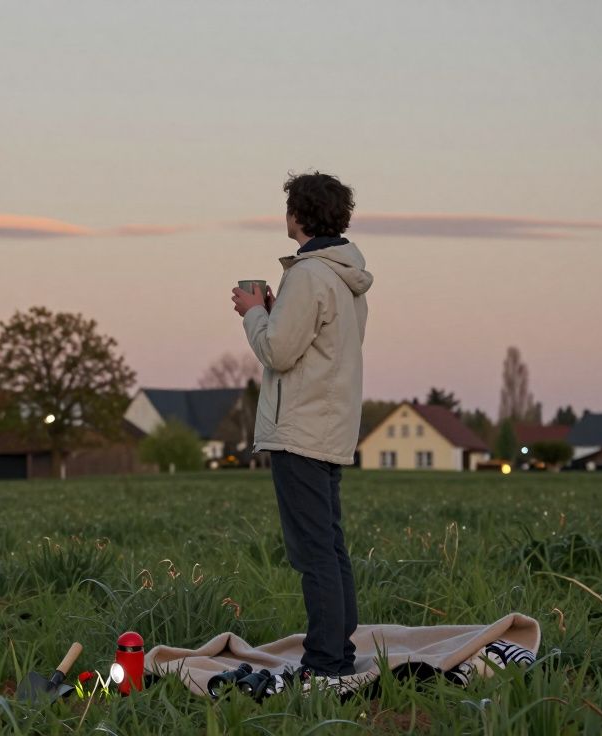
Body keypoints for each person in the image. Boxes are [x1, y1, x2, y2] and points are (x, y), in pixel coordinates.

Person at [230, 171, 373, 688]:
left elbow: (278, 351)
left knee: (313, 551)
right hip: (330, 429)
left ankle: (324, 663)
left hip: (300, 431)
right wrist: (275, 311)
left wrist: (253, 315)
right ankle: (338, 649)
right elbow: (318, 346)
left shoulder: (310, 275)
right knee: (329, 546)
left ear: (297, 214)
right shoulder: (345, 278)